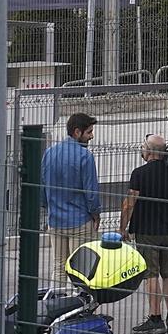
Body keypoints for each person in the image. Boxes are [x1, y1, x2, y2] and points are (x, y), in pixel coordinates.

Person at [119, 135, 168, 334]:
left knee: (151, 274)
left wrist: (123, 228)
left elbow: (129, 203)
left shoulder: (139, 173)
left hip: (147, 231)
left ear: (149, 151)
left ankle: (155, 318)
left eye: (143, 147)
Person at [41, 115, 100, 280]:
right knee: (81, 269)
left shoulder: (49, 153)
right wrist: (95, 214)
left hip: (55, 220)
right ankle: (81, 302)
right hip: (79, 220)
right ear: (77, 132)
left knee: (59, 267)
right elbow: (91, 191)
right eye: (89, 132)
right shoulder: (85, 156)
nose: (91, 136)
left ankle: (56, 303)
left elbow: (43, 187)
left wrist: (49, 208)